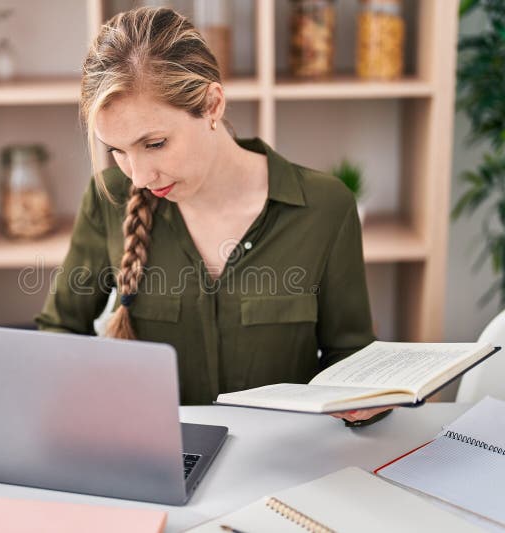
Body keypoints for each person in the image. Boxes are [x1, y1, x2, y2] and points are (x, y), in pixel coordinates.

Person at [36, 6, 390, 426]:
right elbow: (57, 335)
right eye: (117, 150)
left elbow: (350, 354)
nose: (140, 176)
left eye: (155, 143)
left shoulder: (325, 207)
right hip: (156, 462)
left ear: (211, 104)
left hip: (285, 470)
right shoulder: (108, 200)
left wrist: (364, 399)